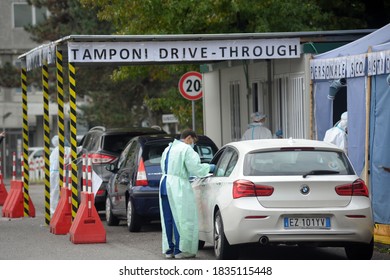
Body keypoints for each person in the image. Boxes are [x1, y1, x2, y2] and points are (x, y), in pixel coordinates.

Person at [159, 129, 213, 259]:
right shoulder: (186, 149)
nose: (193, 144)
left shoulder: (168, 148)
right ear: (189, 138)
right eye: (193, 141)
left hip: (165, 184)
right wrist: (209, 168)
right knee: (182, 218)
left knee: (168, 218)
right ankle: (180, 250)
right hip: (178, 186)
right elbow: (195, 168)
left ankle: (169, 250)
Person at [49, 135, 71, 216]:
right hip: (57, 174)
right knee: (56, 193)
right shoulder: (64, 149)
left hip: (52, 174)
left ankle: (53, 212)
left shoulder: (54, 150)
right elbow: (75, 151)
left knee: (53, 193)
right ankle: (54, 213)